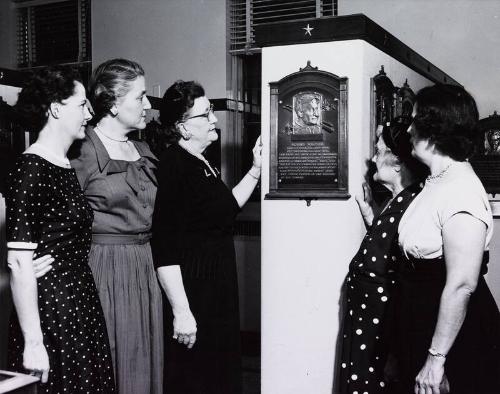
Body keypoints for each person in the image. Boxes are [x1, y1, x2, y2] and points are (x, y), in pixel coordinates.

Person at [6, 66, 115, 392]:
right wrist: (34, 342)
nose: (89, 113)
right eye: (81, 105)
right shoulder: (30, 168)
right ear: (55, 109)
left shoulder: (62, 164)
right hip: (53, 312)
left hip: (79, 303)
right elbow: (18, 261)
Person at [152, 80, 262, 394]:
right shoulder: (174, 167)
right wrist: (182, 312)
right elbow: (165, 247)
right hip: (196, 295)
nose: (214, 119)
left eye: (211, 111)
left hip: (217, 290)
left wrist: (255, 169)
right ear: (183, 128)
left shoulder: (201, 161)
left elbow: (224, 209)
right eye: (205, 115)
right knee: (198, 379)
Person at [396, 84, 500, 394]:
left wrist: (436, 359)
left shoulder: (461, 191)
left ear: (435, 129)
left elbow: (461, 284)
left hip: (455, 337)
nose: (410, 129)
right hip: (424, 320)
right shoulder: (437, 182)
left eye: (414, 120)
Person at [68, 58, 163, 394]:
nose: (148, 105)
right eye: (140, 97)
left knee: (141, 360)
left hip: (143, 266)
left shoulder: (144, 150)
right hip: (101, 269)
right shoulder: (81, 151)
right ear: (111, 101)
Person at [338, 118, 427, 394]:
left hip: (382, 342)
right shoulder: (396, 202)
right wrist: (370, 216)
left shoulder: (412, 206)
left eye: (378, 151)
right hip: (367, 337)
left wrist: (394, 354)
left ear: (398, 163)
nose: (373, 159)